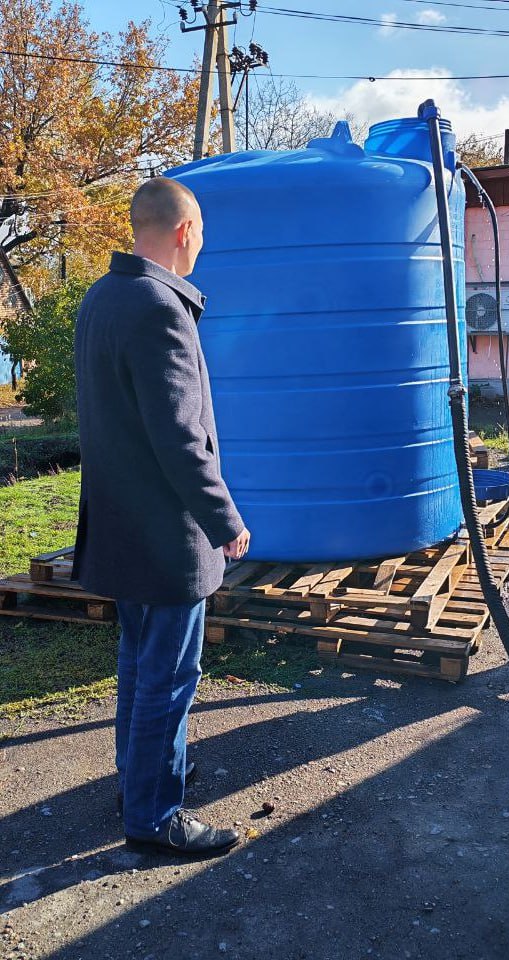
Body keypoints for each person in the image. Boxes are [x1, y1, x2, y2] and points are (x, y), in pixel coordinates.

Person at [73, 177, 251, 857]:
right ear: (182, 231)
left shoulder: (103, 296)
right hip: (165, 534)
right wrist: (223, 518)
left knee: (139, 664)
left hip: (121, 524)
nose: (202, 242)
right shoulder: (158, 307)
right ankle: (153, 814)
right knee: (169, 676)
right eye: (200, 230)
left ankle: (140, 779)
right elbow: (180, 437)